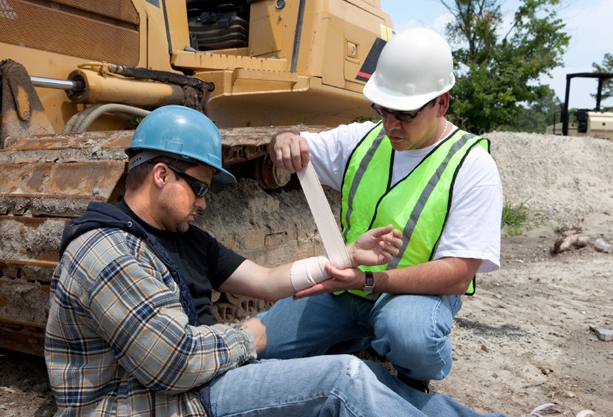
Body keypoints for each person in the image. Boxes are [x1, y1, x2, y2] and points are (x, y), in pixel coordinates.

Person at [44, 105, 509, 417]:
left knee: (363, 373)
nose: (205, 202)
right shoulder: (108, 250)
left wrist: (344, 257)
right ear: (161, 174)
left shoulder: (183, 237)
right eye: (200, 187)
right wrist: (250, 335)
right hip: (160, 402)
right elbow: (173, 364)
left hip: (201, 378)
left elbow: (266, 281)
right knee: (342, 377)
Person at [258, 27, 504, 393]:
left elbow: (457, 273)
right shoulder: (365, 139)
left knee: (411, 337)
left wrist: (370, 280)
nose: (390, 124)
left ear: (441, 103)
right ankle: (360, 340)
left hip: (412, 298)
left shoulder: (472, 166)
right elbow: (293, 143)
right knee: (265, 348)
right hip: (346, 289)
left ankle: (410, 375)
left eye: (404, 114)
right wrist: (283, 141)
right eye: (383, 110)